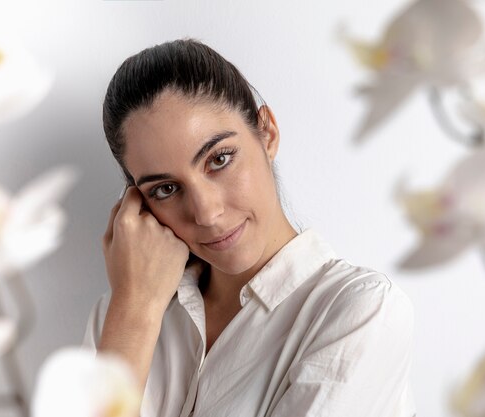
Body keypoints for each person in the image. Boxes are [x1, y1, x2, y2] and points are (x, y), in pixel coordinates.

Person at [84, 38, 416, 417]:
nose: (206, 213)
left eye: (219, 159)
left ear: (267, 133)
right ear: (137, 206)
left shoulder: (359, 312)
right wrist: (134, 313)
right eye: (166, 189)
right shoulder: (119, 316)